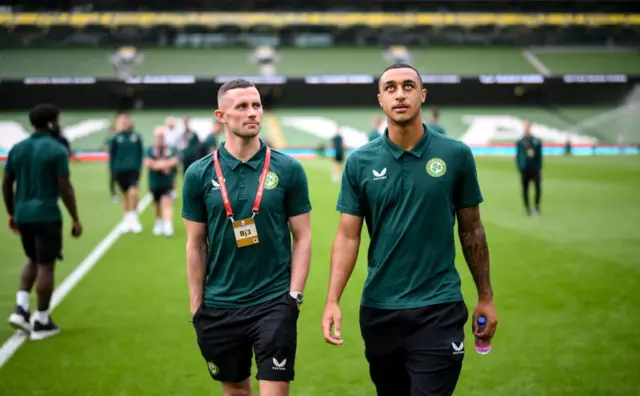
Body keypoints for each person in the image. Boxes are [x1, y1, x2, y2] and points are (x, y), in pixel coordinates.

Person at [322, 63, 498, 396]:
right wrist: (332, 300)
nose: (399, 94)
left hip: (439, 307)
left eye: (408, 86)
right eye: (390, 88)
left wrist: (485, 296)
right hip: (379, 309)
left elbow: (472, 229)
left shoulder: (456, 154)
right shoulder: (360, 161)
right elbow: (348, 236)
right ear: (380, 100)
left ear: (422, 95)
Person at [182, 79, 312, 396]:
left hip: (273, 302)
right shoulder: (198, 174)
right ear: (221, 116)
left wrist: (293, 295)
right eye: (242, 106)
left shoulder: (289, 169)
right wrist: (197, 305)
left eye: (256, 105)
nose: (252, 113)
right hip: (219, 305)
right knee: (235, 391)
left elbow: (303, 237)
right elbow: (195, 244)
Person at [3, 104, 82, 340]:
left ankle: (21, 308)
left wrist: (11, 213)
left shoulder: (17, 148)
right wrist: (75, 217)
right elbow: (65, 187)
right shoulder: (56, 150)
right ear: (50, 122)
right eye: (57, 120)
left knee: (33, 259)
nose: (59, 124)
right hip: (46, 214)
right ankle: (42, 320)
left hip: (23, 214)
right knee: (46, 265)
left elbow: (6, 183)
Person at [109, 112, 144, 233]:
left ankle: (134, 218)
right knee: (125, 195)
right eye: (121, 121)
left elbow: (140, 153)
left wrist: (139, 168)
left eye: (126, 121)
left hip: (133, 170)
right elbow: (112, 156)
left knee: (133, 193)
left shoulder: (136, 136)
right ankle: (127, 219)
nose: (124, 123)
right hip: (120, 170)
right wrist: (112, 171)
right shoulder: (115, 138)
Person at [145, 126, 179, 237]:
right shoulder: (150, 149)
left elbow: (175, 160)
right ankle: (158, 222)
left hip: (167, 182)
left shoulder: (170, 148)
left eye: (162, 136)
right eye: (158, 136)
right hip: (154, 182)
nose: (160, 138)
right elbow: (147, 162)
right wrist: (162, 166)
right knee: (157, 204)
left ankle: (168, 225)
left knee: (166, 202)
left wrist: (162, 165)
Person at [516, 120, 542, 215]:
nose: (526, 129)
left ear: (530, 128)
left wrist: (539, 167)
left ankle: (536, 206)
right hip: (524, 168)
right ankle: (527, 207)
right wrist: (519, 167)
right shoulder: (520, 141)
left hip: (535, 168)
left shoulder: (536, 141)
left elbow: (539, 156)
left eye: (528, 127)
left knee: (538, 187)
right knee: (525, 189)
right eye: (525, 127)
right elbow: (518, 156)